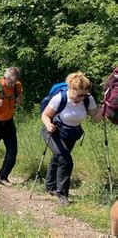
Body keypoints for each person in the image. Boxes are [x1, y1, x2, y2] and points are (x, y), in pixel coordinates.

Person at [41, 72, 103, 206]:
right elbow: (45, 115)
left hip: (71, 133)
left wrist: (105, 109)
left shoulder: (87, 99)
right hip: (53, 131)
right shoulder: (60, 98)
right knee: (66, 160)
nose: (81, 97)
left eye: (84, 94)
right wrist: (48, 125)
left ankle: (50, 187)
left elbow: (96, 118)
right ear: (71, 89)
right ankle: (62, 195)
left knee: (58, 158)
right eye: (79, 94)